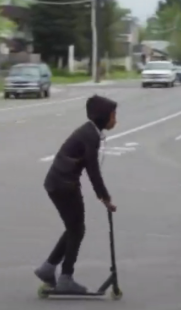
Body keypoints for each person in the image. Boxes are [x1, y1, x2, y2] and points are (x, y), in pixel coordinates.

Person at [34, 95, 118, 293]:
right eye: (113, 115)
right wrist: (105, 198)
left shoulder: (90, 132)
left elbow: (90, 168)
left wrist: (103, 196)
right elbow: (92, 170)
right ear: (103, 116)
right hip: (64, 185)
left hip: (58, 183)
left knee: (74, 228)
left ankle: (48, 268)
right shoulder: (90, 135)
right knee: (77, 229)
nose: (115, 120)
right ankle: (65, 277)